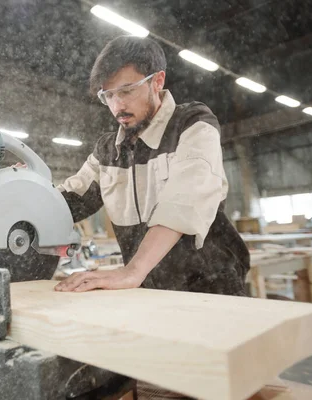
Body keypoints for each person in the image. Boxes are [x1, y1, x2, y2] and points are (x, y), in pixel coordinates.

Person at [54, 35, 250, 295]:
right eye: (108, 96)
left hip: (211, 288)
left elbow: (185, 200)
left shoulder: (192, 125)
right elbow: (68, 200)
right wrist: (25, 192)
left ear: (157, 81)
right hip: (148, 292)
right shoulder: (108, 151)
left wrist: (132, 271)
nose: (117, 106)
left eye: (126, 91)